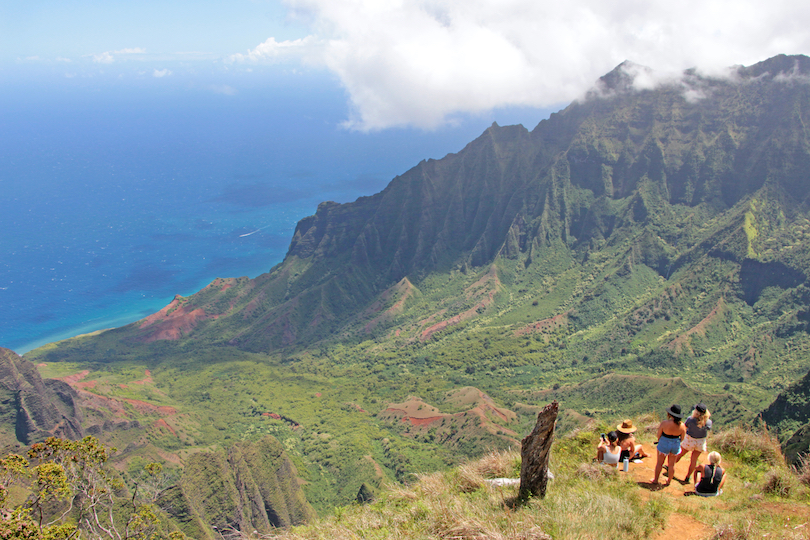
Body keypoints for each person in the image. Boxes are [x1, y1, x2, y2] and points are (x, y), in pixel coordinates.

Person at [675, 403, 712, 482]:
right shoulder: (708, 422)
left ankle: (670, 466)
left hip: (689, 439)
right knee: (693, 460)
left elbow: (685, 427)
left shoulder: (690, 419)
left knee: (680, 454)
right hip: (700, 442)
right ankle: (688, 477)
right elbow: (708, 429)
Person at [650, 404, 687, 485]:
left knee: (660, 463)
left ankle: (656, 480)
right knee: (672, 464)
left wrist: (661, 441)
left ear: (670, 414)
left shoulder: (665, 423)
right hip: (675, 444)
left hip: (664, 443)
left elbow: (658, 435)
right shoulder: (682, 425)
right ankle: (669, 481)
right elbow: (683, 438)